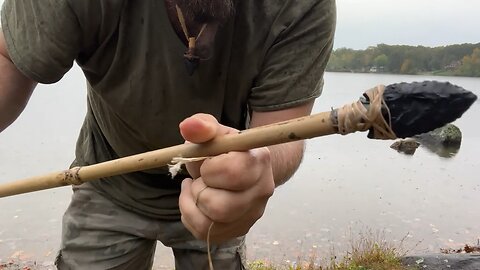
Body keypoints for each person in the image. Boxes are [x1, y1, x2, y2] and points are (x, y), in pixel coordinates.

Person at [0, 0, 336, 269]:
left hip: (216, 194)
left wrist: (250, 172)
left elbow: (280, 134)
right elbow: (8, 60)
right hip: (108, 180)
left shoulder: (303, 6)